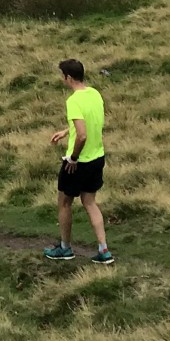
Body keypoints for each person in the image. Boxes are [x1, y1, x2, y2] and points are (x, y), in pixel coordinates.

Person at [43, 59, 113, 264]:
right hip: (97, 157)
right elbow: (90, 121)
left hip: (79, 161)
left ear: (68, 77)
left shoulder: (73, 101)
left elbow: (82, 135)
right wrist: (67, 131)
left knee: (64, 202)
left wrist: (73, 158)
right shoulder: (94, 94)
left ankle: (65, 248)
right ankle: (104, 250)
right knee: (90, 202)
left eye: (62, 75)